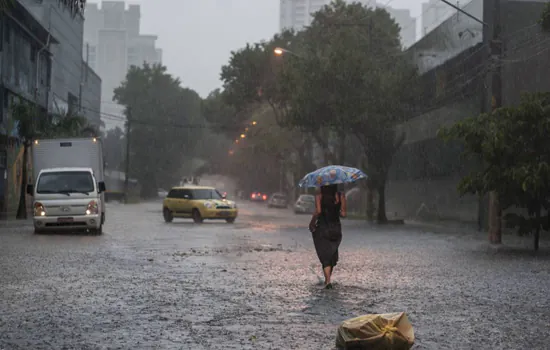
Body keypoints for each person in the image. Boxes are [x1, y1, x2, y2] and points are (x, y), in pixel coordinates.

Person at [309, 184, 347, 289]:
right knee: (332, 254)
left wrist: (312, 223)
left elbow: (318, 211)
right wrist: (336, 210)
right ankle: (328, 279)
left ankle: (327, 281)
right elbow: (343, 214)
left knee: (325, 255)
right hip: (336, 229)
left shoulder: (319, 196)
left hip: (323, 228)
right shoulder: (341, 196)